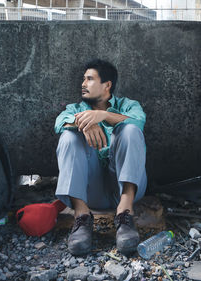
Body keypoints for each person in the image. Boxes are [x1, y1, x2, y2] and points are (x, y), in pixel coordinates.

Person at [54, 59, 147, 255]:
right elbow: (60, 122)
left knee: (131, 130)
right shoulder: (76, 108)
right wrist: (85, 122)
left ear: (107, 85)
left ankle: (125, 213)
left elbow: (138, 121)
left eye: (89, 79)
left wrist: (103, 116)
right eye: (83, 79)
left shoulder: (128, 105)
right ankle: (81, 216)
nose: (83, 84)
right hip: (90, 192)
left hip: (125, 188)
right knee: (68, 137)